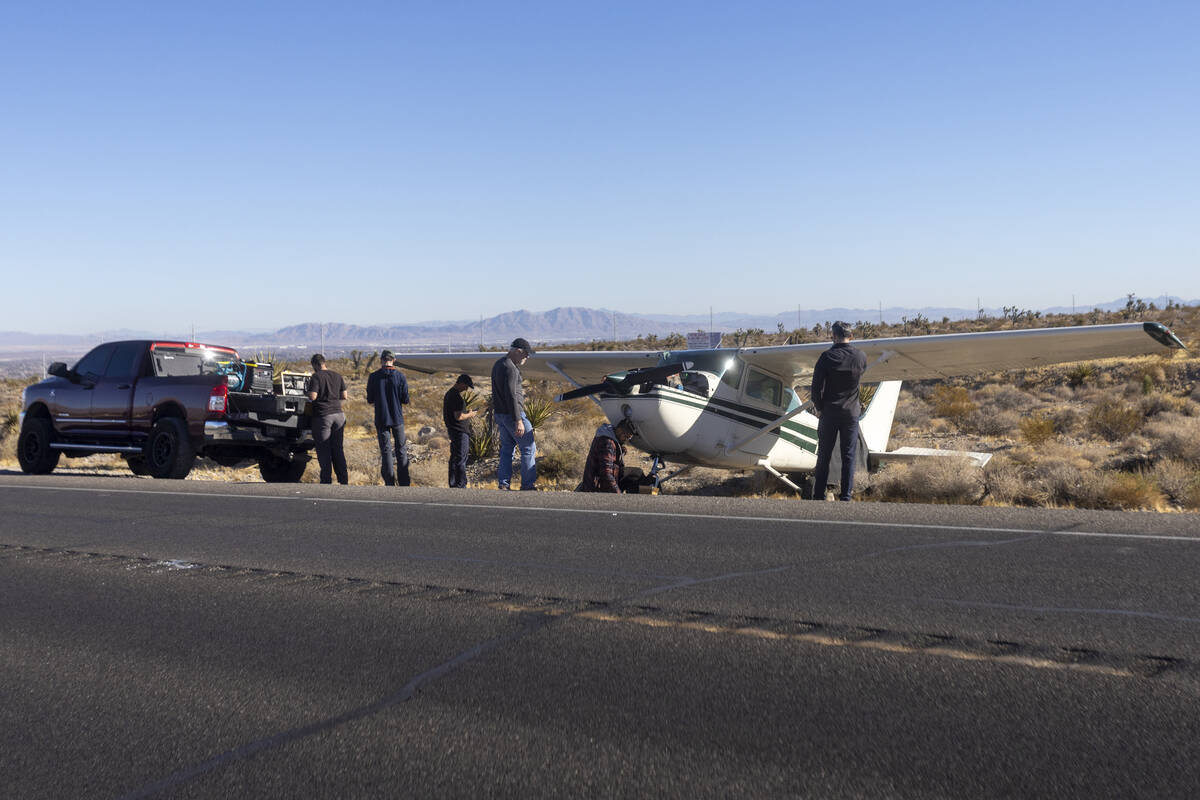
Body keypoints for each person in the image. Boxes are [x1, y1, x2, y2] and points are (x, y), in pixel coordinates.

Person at [810, 321, 868, 501]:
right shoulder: (860, 357)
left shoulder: (826, 357)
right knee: (848, 455)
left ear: (833, 336)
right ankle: (846, 495)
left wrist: (819, 408)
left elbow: (815, 389)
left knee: (824, 454)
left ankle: (819, 494)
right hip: (851, 413)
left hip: (829, 411)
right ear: (850, 336)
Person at [491, 337, 537, 490]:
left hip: (501, 415)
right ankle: (528, 485)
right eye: (525, 354)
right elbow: (511, 395)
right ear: (517, 351)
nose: (527, 357)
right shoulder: (511, 368)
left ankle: (503, 484)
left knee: (506, 450)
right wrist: (518, 420)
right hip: (513, 416)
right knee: (528, 448)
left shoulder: (498, 364)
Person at [366, 349, 411, 486]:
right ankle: (404, 482)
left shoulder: (373, 377)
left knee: (386, 450)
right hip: (397, 418)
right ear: (394, 360)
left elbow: (370, 399)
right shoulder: (400, 376)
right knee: (401, 450)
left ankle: (389, 481)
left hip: (381, 418)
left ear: (381, 360)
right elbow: (405, 399)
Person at [306, 353, 348, 485]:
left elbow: (312, 396)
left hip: (324, 416)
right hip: (339, 415)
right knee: (337, 449)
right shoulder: (337, 375)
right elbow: (344, 396)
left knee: (324, 449)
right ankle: (343, 479)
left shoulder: (316, 377)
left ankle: (326, 481)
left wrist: (307, 393)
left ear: (315, 365)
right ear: (324, 362)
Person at [577, 418, 639, 493]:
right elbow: (606, 473)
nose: (626, 440)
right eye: (625, 436)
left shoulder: (610, 438)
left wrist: (620, 450)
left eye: (628, 438)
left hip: (598, 483)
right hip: (596, 488)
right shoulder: (607, 443)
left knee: (635, 473)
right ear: (619, 430)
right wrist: (617, 493)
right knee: (634, 476)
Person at [442, 373, 477, 489]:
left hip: (453, 430)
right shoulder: (456, 397)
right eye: (466, 386)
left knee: (455, 457)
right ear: (461, 383)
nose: (466, 389)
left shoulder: (449, 394)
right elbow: (459, 416)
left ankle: (453, 482)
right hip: (460, 431)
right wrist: (470, 414)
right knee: (461, 458)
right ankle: (461, 483)